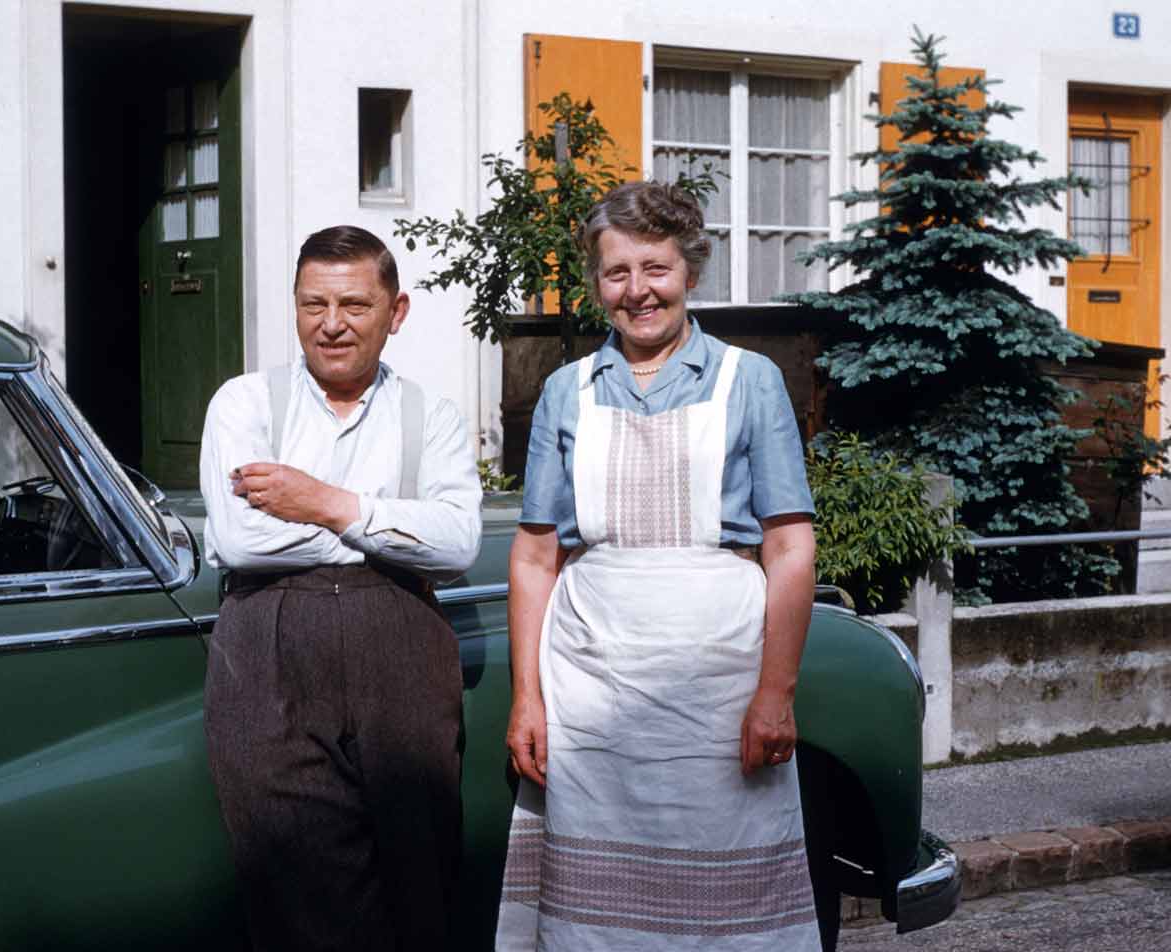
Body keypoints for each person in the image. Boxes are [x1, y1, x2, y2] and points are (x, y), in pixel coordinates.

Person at [496, 181, 823, 951]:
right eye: (617, 273)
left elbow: (789, 545)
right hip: (590, 689)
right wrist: (527, 700)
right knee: (597, 919)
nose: (637, 291)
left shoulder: (751, 380)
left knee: (725, 912)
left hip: (720, 689)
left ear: (690, 272)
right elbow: (537, 555)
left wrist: (774, 693)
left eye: (655, 269)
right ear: (596, 284)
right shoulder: (565, 391)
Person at [200, 225, 482, 952]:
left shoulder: (434, 416)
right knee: (292, 876)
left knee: (420, 872)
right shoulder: (245, 403)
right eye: (312, 304)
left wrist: (326, 502)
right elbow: (239, 539)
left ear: (397, 311)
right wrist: (386, 526)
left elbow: (457, 544)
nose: (331, 325)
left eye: (354, 305)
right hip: (267, 645)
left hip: (401, 643)